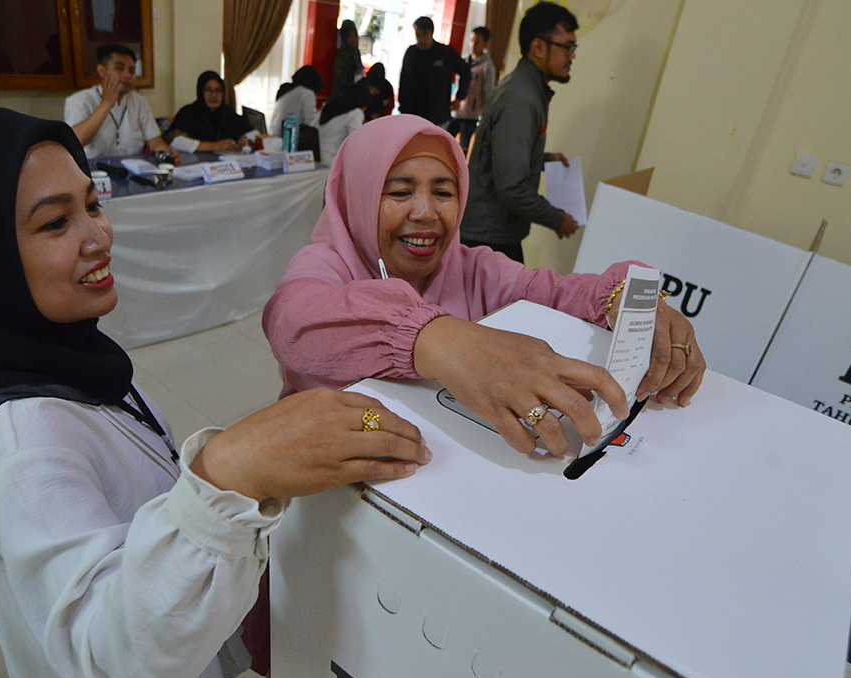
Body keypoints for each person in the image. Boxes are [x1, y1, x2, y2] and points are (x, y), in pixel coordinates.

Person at [0, 106, 429, 678]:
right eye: (53, 224)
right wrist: (229, 472)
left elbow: (141, 527)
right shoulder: (19, 446)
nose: (99, 236)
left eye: (91, 205)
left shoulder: (69, 357)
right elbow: (111, 662)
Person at [263, 115, 706, 460]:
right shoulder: (326, 263)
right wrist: (435, 338)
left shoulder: (474, 269)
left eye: (443, 192)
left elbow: (557, 292)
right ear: (357, 198)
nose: (425, 213)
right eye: (399, 192)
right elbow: (291, 321)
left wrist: (627, 300)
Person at [459, 2, 581, 262]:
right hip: (487, 240)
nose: (572, 56)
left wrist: (545, 159)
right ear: (538, 47)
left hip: (493, 234)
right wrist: (558, 220)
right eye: (567, 47)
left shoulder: (526, 89)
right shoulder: (522, 99)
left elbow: (502, 153)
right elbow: (512, 188)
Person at [64, 44, 180, 163]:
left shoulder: (139, 101)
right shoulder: (79, 100)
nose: (127, 75)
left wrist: (166, 152)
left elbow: (155, 141)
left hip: (134, 169)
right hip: (94, 170)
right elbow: (75, 142)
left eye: (131, 70)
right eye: (119, 68)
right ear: (101, 70)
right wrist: (106, 103)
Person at [398, 16, 471, 128]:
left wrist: (459, 98)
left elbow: (466, 72)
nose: (421, 39)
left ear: (431, 33)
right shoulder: (411, 53)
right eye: (418, 35)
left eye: (424, 35)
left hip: (436, 114)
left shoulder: (445, 53)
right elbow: (403, 80)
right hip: (412, 112)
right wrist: (402, 105)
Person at [166, 71, 256, 153]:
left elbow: (253, 133)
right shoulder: (188, 113)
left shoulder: (228, 113)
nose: (213, 95)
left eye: (218, 90)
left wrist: (245, 140)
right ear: (201, 92)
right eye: (208, 89)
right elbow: (173, 140)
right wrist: (213, 146)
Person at [447, 26, 497, 151]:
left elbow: (488, 92)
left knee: (463, 147)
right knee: (445, 141)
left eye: (477, 41)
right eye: (471, 40)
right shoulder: (463, 60)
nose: (473, 45)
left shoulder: (487, 67)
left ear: (485, 44)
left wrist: (485, 115)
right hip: (456, 110)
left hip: (471, 115)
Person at [317, 82, 369, 164]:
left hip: (316, 156)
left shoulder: (329, 106)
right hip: (333, 158)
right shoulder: (356, 112)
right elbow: (355, 141)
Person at [270, 65, 322, 136]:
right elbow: (311, 122)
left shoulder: (286, 91)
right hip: (289, 140)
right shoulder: (307, 93)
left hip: (274, 136)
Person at [329, 20, 363, 100]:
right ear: (344, 37)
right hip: (343, 95)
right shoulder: (343, 54)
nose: (353, 39)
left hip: (353, 94)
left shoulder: (355, 52)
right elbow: (338, 79)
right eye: (349, 36)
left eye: (355, 36)